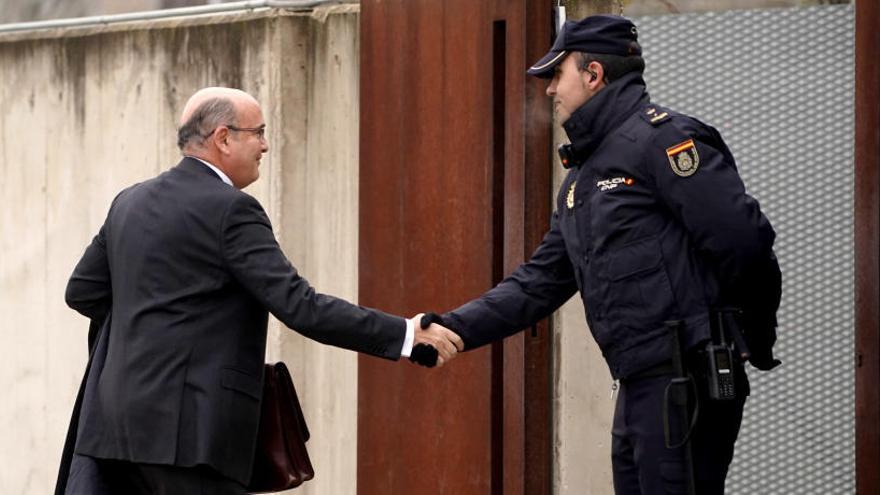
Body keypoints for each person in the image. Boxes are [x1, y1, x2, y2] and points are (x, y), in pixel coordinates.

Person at [421, 15, 781, 495]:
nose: (549, 90)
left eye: (557, 74)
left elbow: (744, 241)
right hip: (637, 386)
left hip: (684, 381)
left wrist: (746, 338)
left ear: (593, 75)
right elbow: (538, 282)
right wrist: (455, 327)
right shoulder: (581, 183)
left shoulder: (663, 142)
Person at [61, 87, 463, 494]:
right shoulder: (232, 209)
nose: (266, 145)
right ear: (223, 138)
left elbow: (83, 292)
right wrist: (406, 335)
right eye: (259, 132)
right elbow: (301, 307)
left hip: (113, 429)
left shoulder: (129, 201)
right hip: (191, 437)